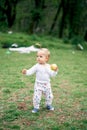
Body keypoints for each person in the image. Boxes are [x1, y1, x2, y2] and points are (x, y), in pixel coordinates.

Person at [22, 48, 58, 113]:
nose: (38, 58)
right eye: (37, 56)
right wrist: (26, 72)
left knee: (49, 96)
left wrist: (55, 71)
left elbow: (52, 75)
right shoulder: (36, 66)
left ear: (46, 58)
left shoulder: (48, 66)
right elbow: (30, 71)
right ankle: (36, 107)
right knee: (36, 97)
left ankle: (48, 105)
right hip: (38, 84)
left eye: (41, 56)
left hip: (47, 84)